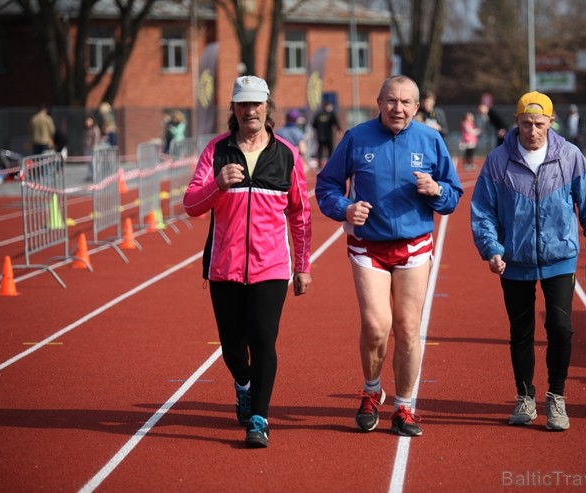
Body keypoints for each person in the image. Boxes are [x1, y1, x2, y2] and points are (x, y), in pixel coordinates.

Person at [315, 75, 463, 437]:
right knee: (376, 327)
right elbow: (327, 185)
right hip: (369, 246)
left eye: (406, 102)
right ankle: (370, 391)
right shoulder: (356, 138)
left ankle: (404, 407)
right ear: (379, 102)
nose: (398, 108)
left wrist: (437, 190)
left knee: (409, 330)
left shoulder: (430, 140)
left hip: (414, 246)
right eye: (391, 101)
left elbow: (453, 194)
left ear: (417, 107)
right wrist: (345, 209)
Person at [183, 75, 313, 448]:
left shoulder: (286, 154)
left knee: (263, 340)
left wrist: (302, 265)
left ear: (267, 107)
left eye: (257, 103)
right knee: (233, 349)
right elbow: (191, 206)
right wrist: (216, 185)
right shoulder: (216, 152)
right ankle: (243, 384)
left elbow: (301, 215)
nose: (250, 110)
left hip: (271, 267)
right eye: (243, 104)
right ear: (234, 109)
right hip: (224, 267)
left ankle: (259, 418)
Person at [470, 91, 586, 431]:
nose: (533, 130)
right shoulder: (498, 161)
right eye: (527, 123)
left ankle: (556, 397)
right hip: (515, 259)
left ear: (551, 122)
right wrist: (492, 248)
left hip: (559, 257)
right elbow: (483, 210)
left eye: (540, 124)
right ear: (516, 121)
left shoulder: (570, 157)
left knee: (561, 328)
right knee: (521, 331)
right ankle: (525, 396)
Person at [311, 101, 341, 170]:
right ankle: (331, 166)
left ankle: (319, 167)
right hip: (328, 136)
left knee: (320, 151)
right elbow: (336, 123)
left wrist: (319, 130)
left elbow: (313, 125)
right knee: (330, 151)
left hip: (320, 136)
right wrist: (339, 131)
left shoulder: (318, 115)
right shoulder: (331, 114)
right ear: (328, 106)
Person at [82, 115, 103, 181]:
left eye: (89, 120)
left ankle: (95, 175)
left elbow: (96, 137)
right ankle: (90, 175)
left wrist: (95, 146)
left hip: (93, 148)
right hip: (87, 147)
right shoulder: (86, 129)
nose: (87, 122)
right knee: (89, 163)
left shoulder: (95, 128)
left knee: (94, 163)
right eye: (87, 120)